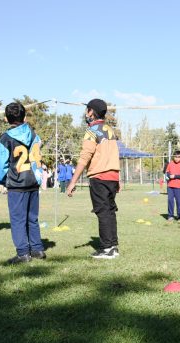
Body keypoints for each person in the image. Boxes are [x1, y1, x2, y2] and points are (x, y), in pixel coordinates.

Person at [66, 98, 121, 259]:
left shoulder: (91, 131)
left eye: (87, 110)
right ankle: (113, 246)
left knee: (102, 212)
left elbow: (84, 158)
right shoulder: (110, 130)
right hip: (112, 176)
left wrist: (73, 181)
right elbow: (115, 155)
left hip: (99, 176)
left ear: (91, 111)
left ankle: (107, 248)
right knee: (110, 212)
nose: (85, 113)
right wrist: (118, 179)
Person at [0, 102, 46, 264]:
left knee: (17, 219)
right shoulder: (33, 134)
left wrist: (1, 180)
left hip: (17, 184)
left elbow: (0, 165)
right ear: (24, 117)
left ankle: (23, 253)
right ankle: (37, 249)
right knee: (32, 218)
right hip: (33, 181)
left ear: (6, 119)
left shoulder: (5, 138)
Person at [165, 150, 180, 221]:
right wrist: (169, 176)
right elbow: (167, 172)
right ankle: (170, 216)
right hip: (170, 186)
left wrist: (175, 176)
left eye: (178, 157)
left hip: (179, 186)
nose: (176, 158)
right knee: (170, 201)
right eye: (175, 157)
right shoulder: (170, 163)